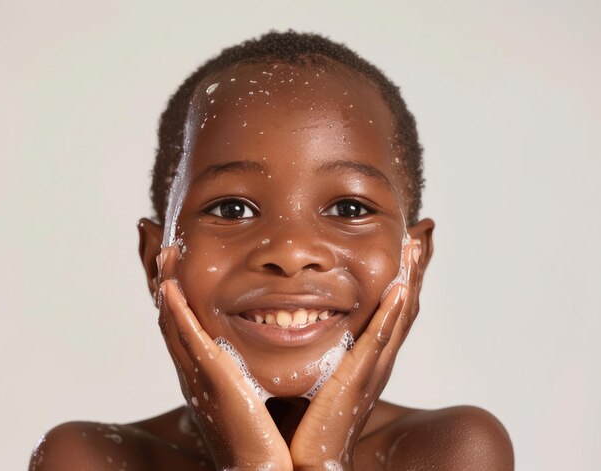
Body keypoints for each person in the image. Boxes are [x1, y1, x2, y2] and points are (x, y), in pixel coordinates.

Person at [29, 31, 514, 470]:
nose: (290, 251)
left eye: (348, 208)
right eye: (233, 209)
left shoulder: (452, 452)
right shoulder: (90, 460)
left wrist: (327, 459)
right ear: (157, 261)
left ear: (415, 260)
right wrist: (249, 463)